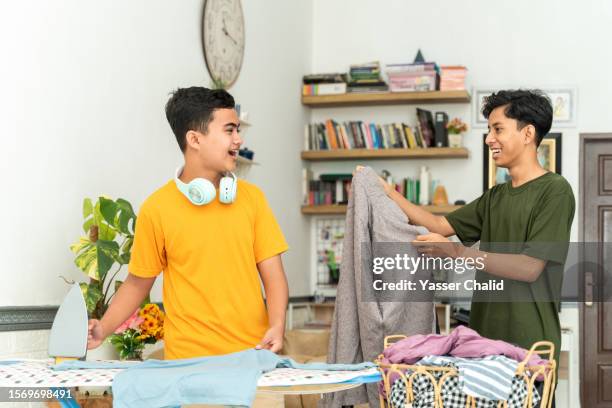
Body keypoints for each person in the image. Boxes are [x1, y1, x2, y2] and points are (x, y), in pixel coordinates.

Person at [371, 89, 574, 366]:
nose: (489, 139)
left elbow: (530, 267)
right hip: (482, 344)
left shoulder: (555, 191)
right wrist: (388, 193)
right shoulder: (495, 197)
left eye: (498, 129)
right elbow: (439, 224)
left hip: (529, 345)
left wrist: (457, 252)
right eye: (489, 130)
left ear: (527, 134)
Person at [87, 87, 289, 360]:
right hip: (188, 364)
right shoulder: (157, 209)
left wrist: (277, 325)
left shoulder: (253, 200)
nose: (238, 140)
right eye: (229, 130)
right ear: (194, 139)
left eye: (238, 130)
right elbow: (137, 283)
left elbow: (274, 276)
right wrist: (104, 327)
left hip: (255, 357)